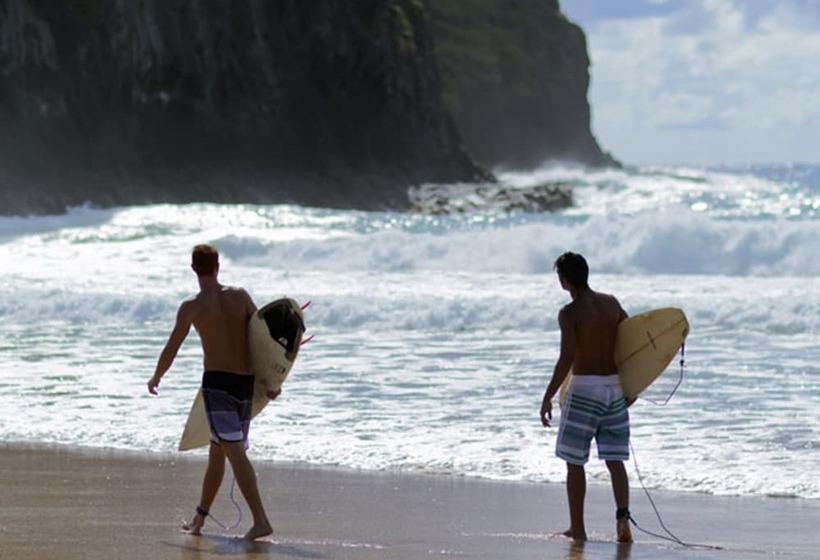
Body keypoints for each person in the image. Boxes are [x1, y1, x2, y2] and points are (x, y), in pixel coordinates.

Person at [147, 244, 277, 541]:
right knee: (217, 454)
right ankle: (199, 521)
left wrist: (156, 376)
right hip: (245, 384)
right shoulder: (241, 296)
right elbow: (263, 339)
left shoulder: (192, 306)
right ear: (218, 265)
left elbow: (172, 348)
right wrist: (271, 381)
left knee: (234, 453)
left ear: (193, 268)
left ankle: (260, 520)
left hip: (217, 385)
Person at [539, 252, 633, 543]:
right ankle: (622, 520)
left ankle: (577, 528)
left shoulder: (570, 313)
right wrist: (632, 386)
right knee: (615, 459)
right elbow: (633, 341)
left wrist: (548, 396)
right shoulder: (611, 302)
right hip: (614, 388)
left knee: (574, 461)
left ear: (565, 281)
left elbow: (567, 358)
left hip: (584, 390)